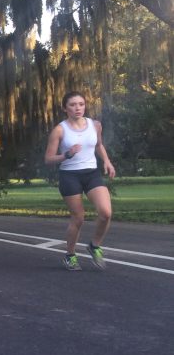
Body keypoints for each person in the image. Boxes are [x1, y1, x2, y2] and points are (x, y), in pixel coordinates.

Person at [44, 91, 116, 271]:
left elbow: (98, 145)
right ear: (65, 108)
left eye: (81, 104)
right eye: (73, 105)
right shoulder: (60, 130)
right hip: (70, 175)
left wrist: (107, 161)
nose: (78, 108)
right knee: (78, 218)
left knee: (106, 212)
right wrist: (67, 154)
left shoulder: (95, 125)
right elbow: (48, 159)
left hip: (92, 173)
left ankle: (94, 245)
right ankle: (70, 255)